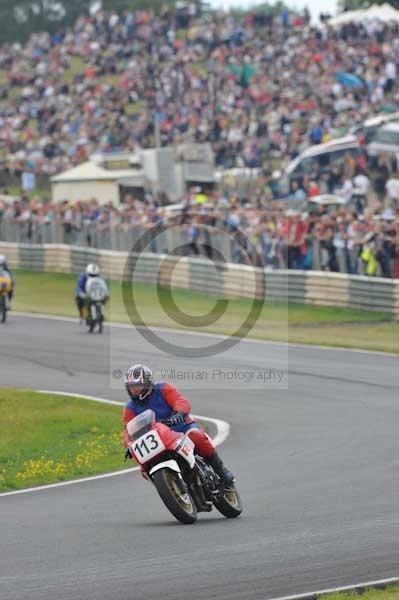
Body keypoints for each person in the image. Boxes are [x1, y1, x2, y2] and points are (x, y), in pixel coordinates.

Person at [123, 364, 235, 485]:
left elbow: (180, 401)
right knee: (145, 467)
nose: (134, 390)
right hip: (159, 440)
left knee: (197, 437)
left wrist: (178, 414)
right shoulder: (130, 408)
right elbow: (128, 430)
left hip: (182, 428)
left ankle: (221, 470)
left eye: (137, 385)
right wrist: (128, 444)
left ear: (148, 383)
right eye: (131, 387)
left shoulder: (163, 388)